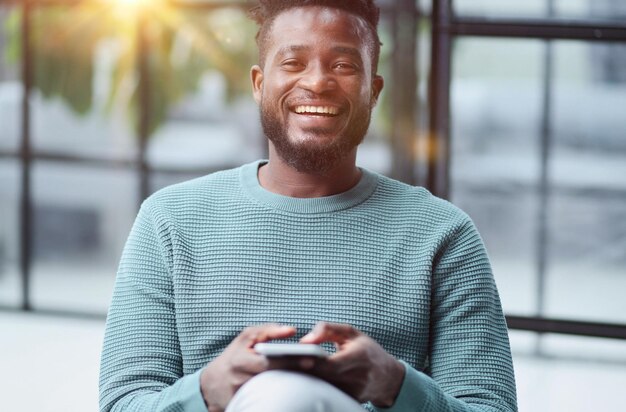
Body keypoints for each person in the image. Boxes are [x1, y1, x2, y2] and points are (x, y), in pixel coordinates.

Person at [99, 1, 518, 411]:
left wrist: (395, 385)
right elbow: (123, 403)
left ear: (373, 91)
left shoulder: (442, 233)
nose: (317, 82)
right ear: (260, 84)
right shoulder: (170, 221)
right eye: (294, 63)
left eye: (343, 66)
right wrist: (206, 392)